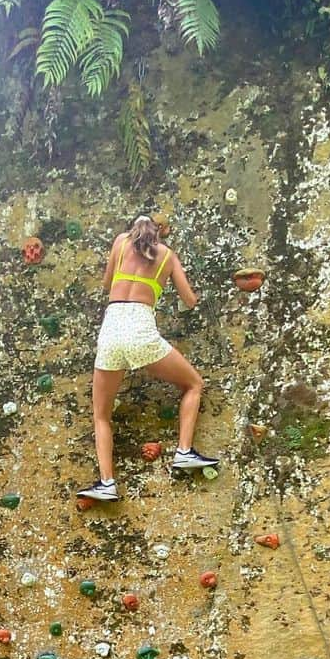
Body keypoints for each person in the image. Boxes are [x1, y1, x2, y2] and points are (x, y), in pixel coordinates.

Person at [77, 215, 219, 502]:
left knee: (101, 415)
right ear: (162, 233)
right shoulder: (167, 256)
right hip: (140, 330)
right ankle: (183, 452)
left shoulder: (120, 242)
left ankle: (107, 482)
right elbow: (189, 300)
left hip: (112, 329)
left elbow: (107, 283)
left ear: (133, 228)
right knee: (193, 384)